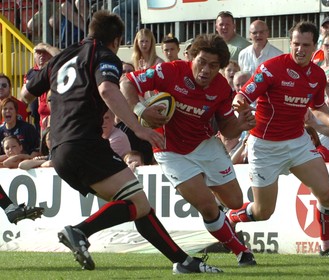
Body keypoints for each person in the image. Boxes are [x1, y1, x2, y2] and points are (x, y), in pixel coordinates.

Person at [21, 10, 222, 274]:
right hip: (84, 143)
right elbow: (107, 89)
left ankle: (182, 261)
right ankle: (80, 232)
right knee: (138, 203)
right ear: (116, 40)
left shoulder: (62, 57)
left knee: (137, 204)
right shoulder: (105, 57)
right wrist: (138, 128)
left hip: (58, 148)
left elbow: (25, 95)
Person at [121, 33, 257, 266]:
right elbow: (126, 82)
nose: (206, 70)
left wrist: (241, 125)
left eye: (213, 66)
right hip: (169, 150)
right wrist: (140, 108)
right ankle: (241, 251)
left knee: (235, 201)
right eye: (201, 62)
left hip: (205, 144)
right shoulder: (170, 71)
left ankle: (227, 217)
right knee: (207, 205)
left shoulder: (222, 88)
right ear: (191, 57)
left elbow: (227, 129)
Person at [228, 21, 329, 257]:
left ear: (314, 46)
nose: (300, 49)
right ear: (290, 43)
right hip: (264, 146)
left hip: (297, 142)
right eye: (296, 44)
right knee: (264, 211)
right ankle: (232, 217)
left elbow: (317, 107)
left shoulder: (317, 74)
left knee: (326, 193)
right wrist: (239, 104)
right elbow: (243, 95)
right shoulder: (271, 68)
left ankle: (327, 246)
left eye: (305, 45)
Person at [24, 42, 60, 134]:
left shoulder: (55, 69)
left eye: (44, 52)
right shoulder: (30, 73)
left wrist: (46, 47)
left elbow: (61, 57)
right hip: (39, 119)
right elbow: (23, 98)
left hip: (55, 118)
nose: (41, 55)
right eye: (38, 53)